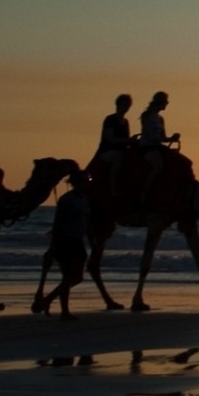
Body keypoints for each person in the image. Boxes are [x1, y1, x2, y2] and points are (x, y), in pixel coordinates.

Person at [38, 184, 91, 320]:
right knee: (68, 277)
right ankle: (63, 311)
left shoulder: (84, 198)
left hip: (77, 239)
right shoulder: (66, 200)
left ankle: (48, 300)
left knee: (76, 277)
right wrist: (53, 246)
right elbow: (58, 222)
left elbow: (85, 221)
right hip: (65, 239)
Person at [136, 91, 179, 208]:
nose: (167, 104)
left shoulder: (160, 119)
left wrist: (172, 138)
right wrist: (159, 140)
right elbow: (149, 134)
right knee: (158, 166)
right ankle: (143, 194)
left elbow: (163, 138)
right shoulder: (147, 115)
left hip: (157, 147)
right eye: (166, 102)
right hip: (147, 147)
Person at [95, 94, 133, 177]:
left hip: (122, 150)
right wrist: (127, 140)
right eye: (124, 105)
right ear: (118, 105)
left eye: (128, 106)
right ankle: (113, 183)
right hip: (107, 150)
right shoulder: (110, 119)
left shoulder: (126, 122)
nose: (126, 108)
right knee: (117, 157)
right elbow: (110, 139)